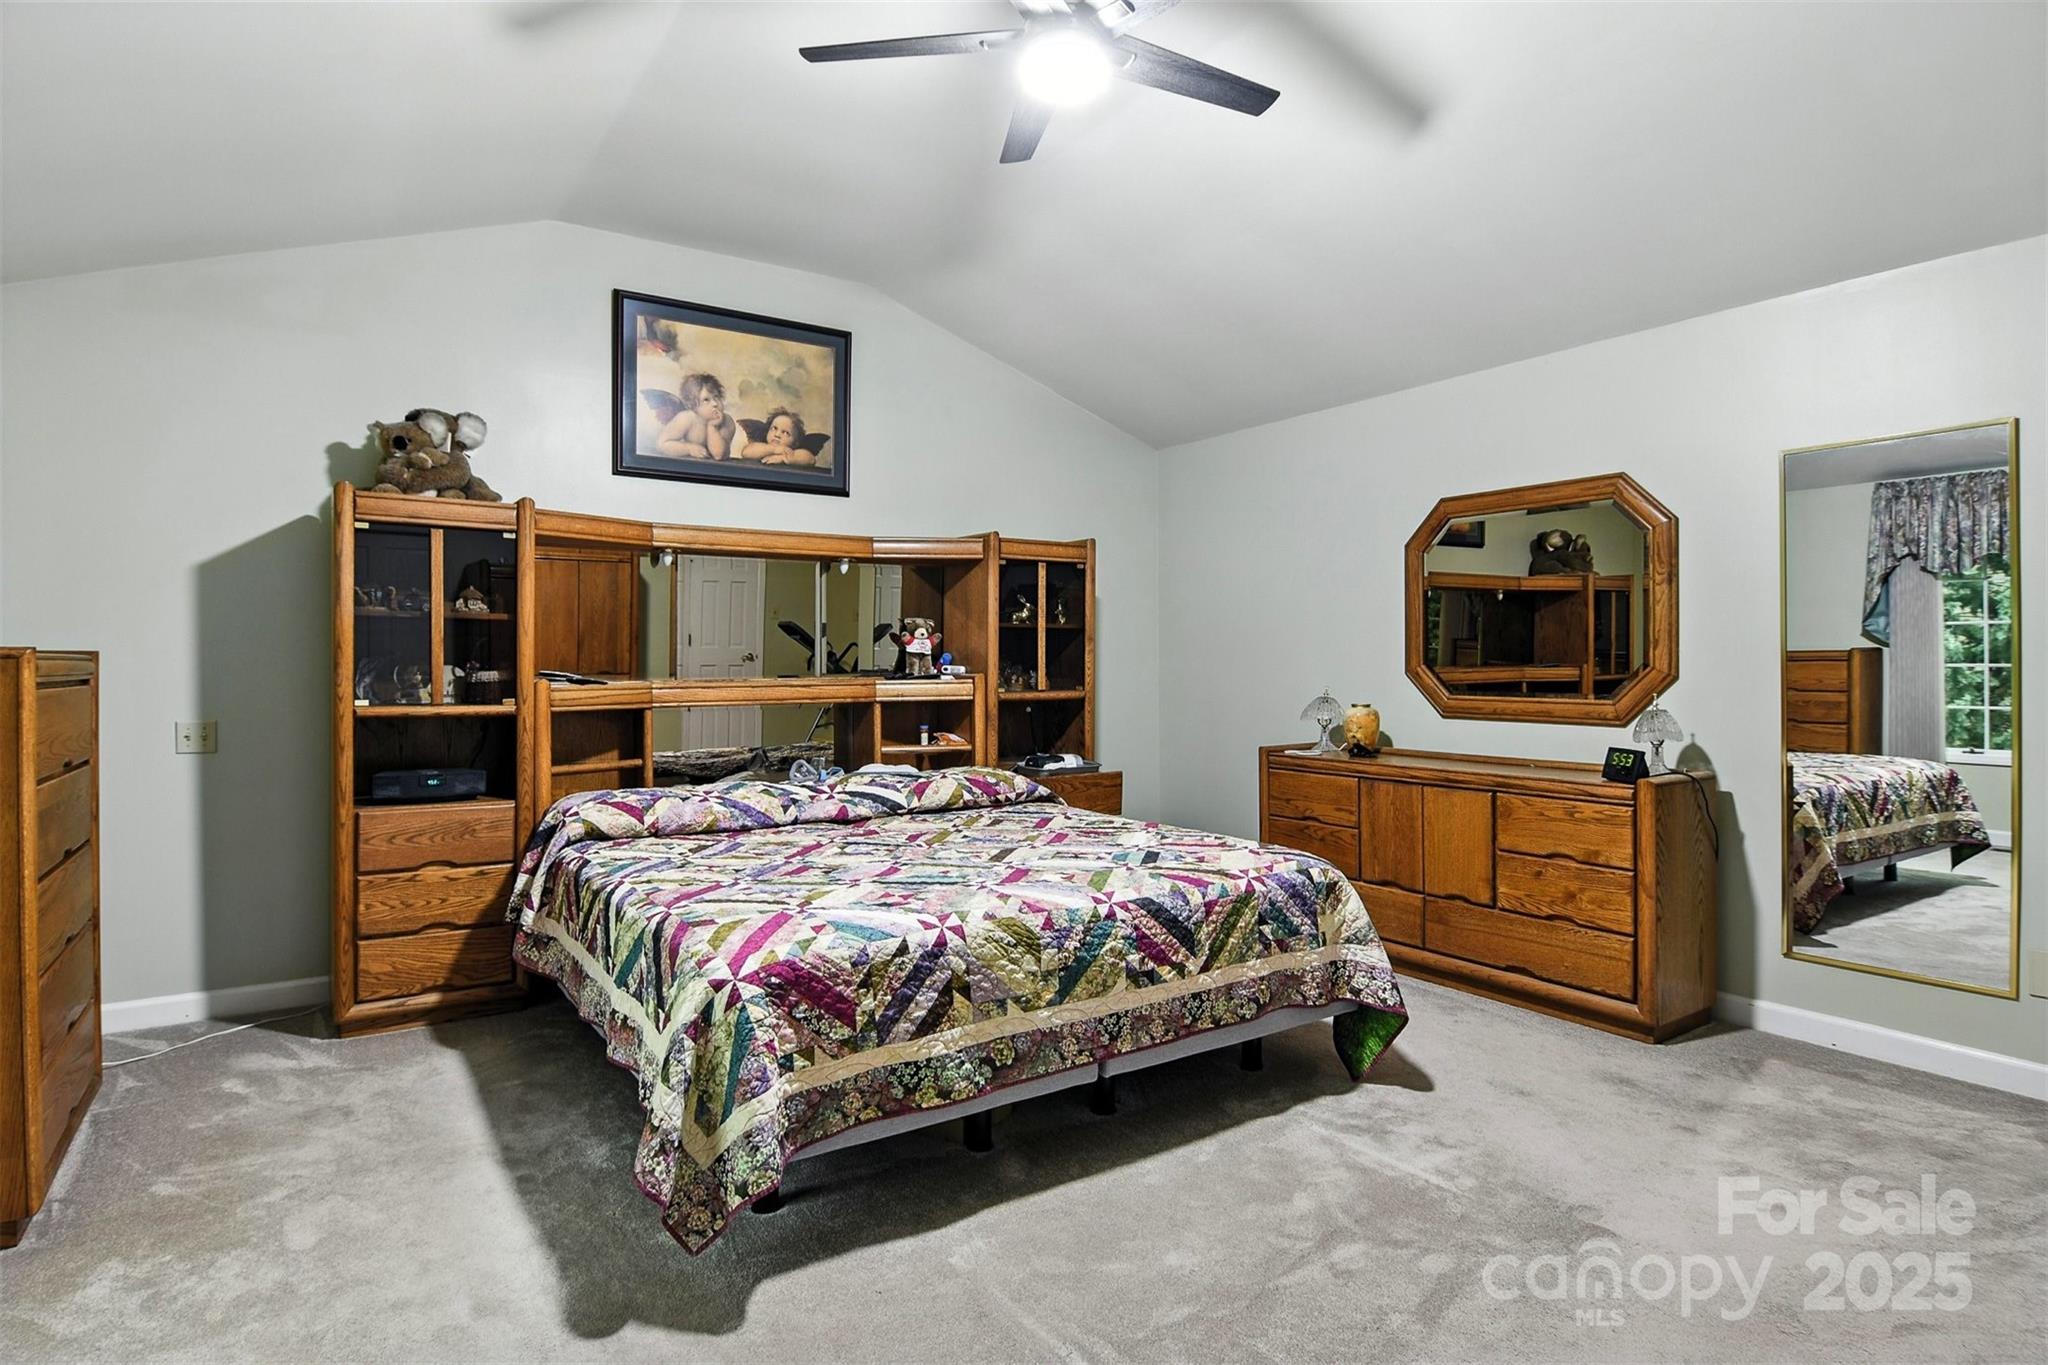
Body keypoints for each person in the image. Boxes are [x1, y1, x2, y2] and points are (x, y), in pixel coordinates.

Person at [656, 373, 735, 460]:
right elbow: (662, 444)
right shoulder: (686, 418)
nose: (715, 404)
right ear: (693, 405)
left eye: (716, 397)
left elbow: (719, 455)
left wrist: (712, 427)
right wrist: (689, 448)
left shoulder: (727, 421)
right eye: (706, 400)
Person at [736, 407, 818, 467]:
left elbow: (811, 459)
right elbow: (746, 452)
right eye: (774, 428)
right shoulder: (761, 447)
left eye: (785, 433)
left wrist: (784, 458)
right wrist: (774, 449)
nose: (777, 435)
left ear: (795, 443)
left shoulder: (793, 452)